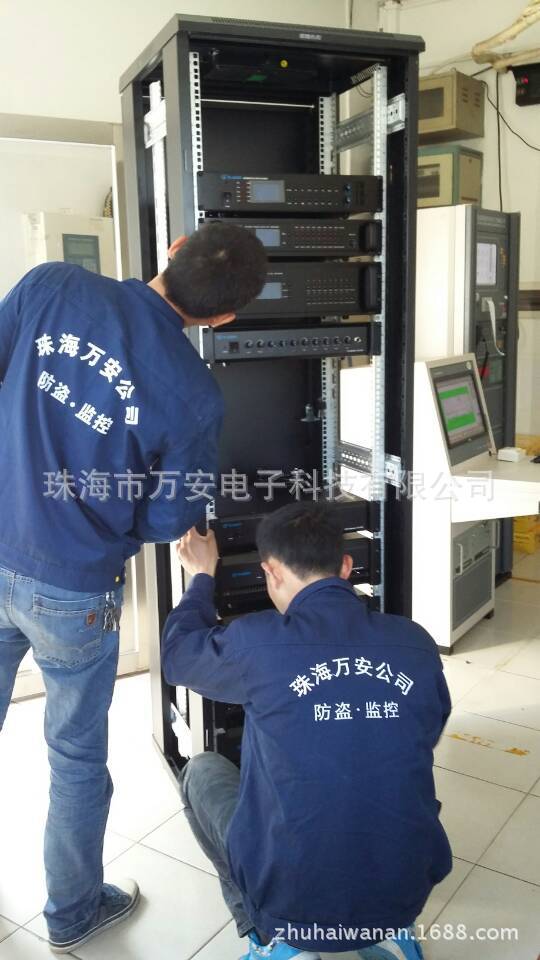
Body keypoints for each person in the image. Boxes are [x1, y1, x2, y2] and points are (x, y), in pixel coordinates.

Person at [0, 222, 267, 954]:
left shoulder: (52, 286)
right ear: (222, 318)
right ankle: (72, 914)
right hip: (75, 589)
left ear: (173, 247)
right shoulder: (195, 396)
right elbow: (171, 519)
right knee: (74, 758)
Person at [162, 503, 452, 960]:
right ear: (346, 567)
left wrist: (202, 576)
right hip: (405, 889)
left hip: (290, 902)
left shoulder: (257, 643)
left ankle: (271, 939)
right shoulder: (415, 643)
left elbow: (178, 658)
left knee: (200, 771)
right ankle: (387, 935)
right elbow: (429, 727)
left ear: (271, 572)